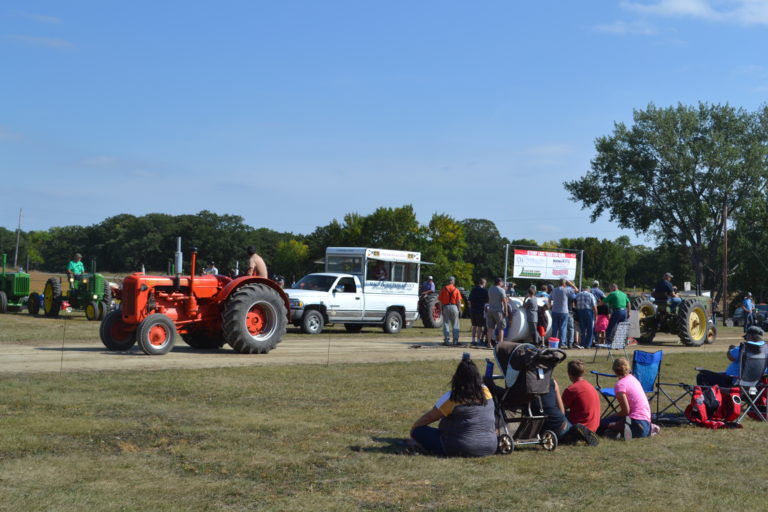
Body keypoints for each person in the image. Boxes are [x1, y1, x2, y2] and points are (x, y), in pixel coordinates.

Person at [407, 357, 497, 457]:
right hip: (491, 446)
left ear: (457, 378)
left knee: (418, 431)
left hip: (460, 447)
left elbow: (429, 417)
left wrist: (414, 428)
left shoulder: (453, 398)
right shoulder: (487, 392)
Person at [598, 357, 652, 439]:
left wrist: (611, 416)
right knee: (617, 421)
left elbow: (625, 411)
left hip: (636, 422)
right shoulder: (634, 379)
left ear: (615, 370)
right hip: (646, 424)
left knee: (602, 423)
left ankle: (617, 428)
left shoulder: (620, 385)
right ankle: (621, 429)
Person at [696, 325, 766, 387]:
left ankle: (707, 400)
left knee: (702, 376)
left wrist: (731, 349)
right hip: (756, 385)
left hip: (734, 383)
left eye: (746, 337)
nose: (746, 339)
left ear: (750, 336)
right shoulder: (766, 348)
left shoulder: (747, 346)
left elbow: (731, 357)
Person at [538, 378, 599, 446]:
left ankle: (571, 435)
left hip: (575, 424)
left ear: (569, 374)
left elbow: (562, 409)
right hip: (594, 424)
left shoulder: (572, 389)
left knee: (561, 424)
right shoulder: (590, 386)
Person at [562, 360, 601, 433]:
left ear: (569, 374)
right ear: (583, 373)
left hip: (579, 427)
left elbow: (560, 409)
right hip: (594, 426)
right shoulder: (591, 386)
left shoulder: (571, 390)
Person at [549, 279, 576, 348]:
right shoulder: (566, 290)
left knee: (554, 328)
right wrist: (570, 283)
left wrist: (550, 306)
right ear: (564, 284)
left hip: (554, 311)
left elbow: (549, 298)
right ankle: (562, 343)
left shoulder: (554, 290)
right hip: (564, 311)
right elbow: (576, 290)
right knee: (563, 328)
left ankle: (553, 343)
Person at [439, 276, 462, 346]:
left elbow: (440, 301)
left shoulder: (443, 289)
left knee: (446, 323)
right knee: (455, 324)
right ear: (453, 281)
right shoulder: (456, 290)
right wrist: (459, 309)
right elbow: (458, 301)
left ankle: (446, 340)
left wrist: (441, 309)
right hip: (454, 306)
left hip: (445, 307)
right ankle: (455, 340)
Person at [486, 277, 508, 347]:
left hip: (491, 310)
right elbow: (505, 302)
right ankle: (500, 344)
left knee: (490, 328)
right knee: (501, 328)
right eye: (502, 282)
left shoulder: (490, 289)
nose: (502, 283)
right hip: (498, 311)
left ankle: (489, 343)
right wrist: (506, 311)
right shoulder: (501, 290)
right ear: (499, 282)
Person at [467, 278, 489, 346]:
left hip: (473, 310)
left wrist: (470, 309)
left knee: (474, 326)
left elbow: (469, 301)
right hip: (480, 310)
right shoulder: (485, 291)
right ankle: (478, 341)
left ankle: (473, 340)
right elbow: (487, 301)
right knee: (479, 326)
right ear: (484, 283)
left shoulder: (473, 289)